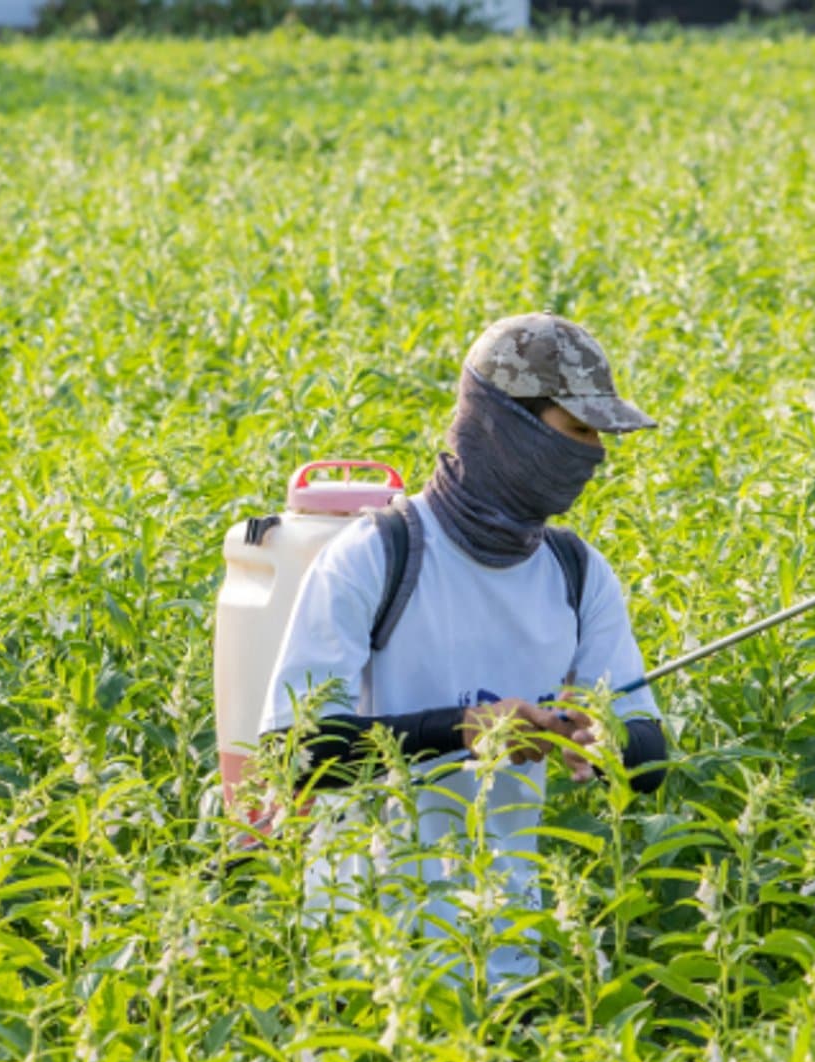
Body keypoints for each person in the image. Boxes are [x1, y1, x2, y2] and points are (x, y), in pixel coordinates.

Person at [257, 312, 668, 988]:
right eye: (577, 430)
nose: (593, 454)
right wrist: (465, 729)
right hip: (362, 954)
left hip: (501, 952)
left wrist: (602, 734)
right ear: (506, 425)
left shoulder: (577, 573)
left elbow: (649, 760)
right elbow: (292, 753)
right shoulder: (377, 556)